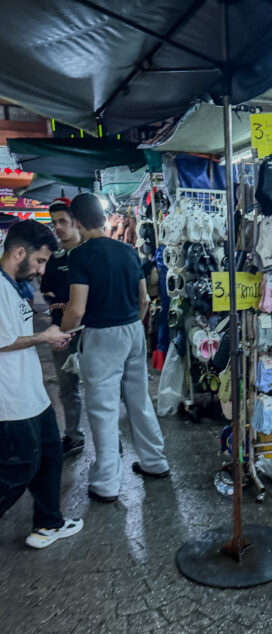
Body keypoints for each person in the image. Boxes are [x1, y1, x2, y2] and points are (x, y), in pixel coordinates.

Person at [61, 193, 170, 503]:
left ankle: (107, 483)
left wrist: (63, 331)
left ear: (77, 222)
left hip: (101, 335)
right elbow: (144, 300)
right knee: (139, 399)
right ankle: (155, 461)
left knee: (103, 408)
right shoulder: (128, 251)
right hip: (133, 329)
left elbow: (77, 309)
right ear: (102, 218)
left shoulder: (80, 256)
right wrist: (132, 326)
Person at [0, 220, 84, 549]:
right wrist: (43, 336)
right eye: (39, 260)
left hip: (32, 391)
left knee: (50, 454)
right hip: (10, 398)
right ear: (19, 252)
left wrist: (47, 337)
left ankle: (48, 524)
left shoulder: (13, 285)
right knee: (18, 469)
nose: (41, 270)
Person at [41, 197, 85, 456]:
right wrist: (53, 303)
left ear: (74, 222)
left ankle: (112, 440)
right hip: (61, 331)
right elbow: (46, 291)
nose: (57, 227)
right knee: (67, 388)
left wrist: (74, 303)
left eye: (62, 221)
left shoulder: (89, 253)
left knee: (101, 389)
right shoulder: (54, 259)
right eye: (54, 222)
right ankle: (73, 435)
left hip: (90, 330)